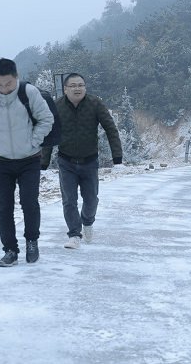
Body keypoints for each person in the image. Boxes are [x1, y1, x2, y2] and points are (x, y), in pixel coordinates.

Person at [0, 58, 54, 266]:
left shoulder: (30, 93)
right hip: (1, 161)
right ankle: (10, 250)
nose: (4, 89)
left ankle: (32, 242)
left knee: (29, 203)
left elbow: (46, 119)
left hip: (30, 159)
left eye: (8, 84)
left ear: (16, 77)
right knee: (4, 207)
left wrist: (33, 141)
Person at [41, 73, 122, 249]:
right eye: (73, 85)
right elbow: (49, 133)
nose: (77, 89)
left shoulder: (95, 104)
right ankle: (74, 235)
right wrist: (43, 162)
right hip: (66, 161)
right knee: (69, 200)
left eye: (81, 85)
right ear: (65, 89)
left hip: (90, 161)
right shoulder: (57, 107)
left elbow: (111, 129)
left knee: (91, 199)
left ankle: (87, 222)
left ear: (85, 87)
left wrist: (117, 157)